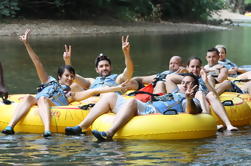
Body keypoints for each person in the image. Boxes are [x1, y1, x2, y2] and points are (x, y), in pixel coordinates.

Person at [1, 29, 127, 137]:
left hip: (49, 103)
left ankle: (47, 130)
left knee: (43, 99)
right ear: (59, 76)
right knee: (29, 97)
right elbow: (37, 62)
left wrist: (116, 88)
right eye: (67, 76)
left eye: (72, 76)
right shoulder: (48, 81)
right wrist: (26, 44)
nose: (70, 78)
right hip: (39, 99)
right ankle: (10, 126)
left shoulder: (71, 95)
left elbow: (94, 91)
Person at [65, 74, 202, 141]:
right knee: (110, 95)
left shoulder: (189, 100)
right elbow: (170, 78)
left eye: (188, 84)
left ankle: (109, 133)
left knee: (132, 103)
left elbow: (191, 111)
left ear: (194, 88)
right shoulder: (175, 93)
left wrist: (189, 97)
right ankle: (81, 127)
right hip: (147, 106)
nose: (184, 85)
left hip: (152, 113)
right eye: (183, 83)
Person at [165, 57, 238, 131]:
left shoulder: (206, 78)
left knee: (208, 94)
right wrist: (188, 80)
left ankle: (229, 125)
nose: (195, 69)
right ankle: (210, 123)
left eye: (197, 67)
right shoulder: (185, 79)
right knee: (200, 93)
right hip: (188, 102)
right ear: (188, 67)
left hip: (202, 101)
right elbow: (169, 78)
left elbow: (215, 95)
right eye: (192, 67)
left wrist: (206, 81)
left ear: (201, 68)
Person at [63, 35, 133, 91]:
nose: (104, 68)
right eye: (101, 66)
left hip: (111, 100)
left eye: (106, 65)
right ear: (97, 70)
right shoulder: (91, 82)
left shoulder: (118, 79)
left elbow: (129, 70)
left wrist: (126, 53)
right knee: (74, 86)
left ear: (111, 68)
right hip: (94, 103)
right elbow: (73, 76)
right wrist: (67, 60)